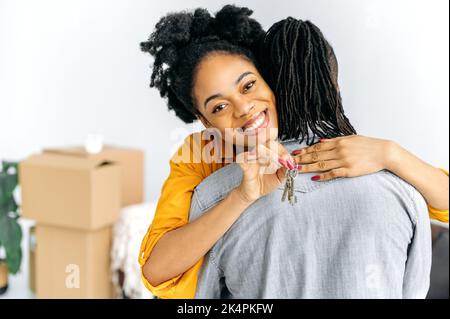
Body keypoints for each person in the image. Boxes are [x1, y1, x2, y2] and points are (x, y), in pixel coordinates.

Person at [138, 5, 449, 299]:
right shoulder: (201, 157)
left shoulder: (363, 162)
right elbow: (158, 270)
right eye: (219, 106)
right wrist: (240, 198)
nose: (244, 109)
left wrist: (391, 154)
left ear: (273, 83)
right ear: (205, 122)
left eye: (248, 86)